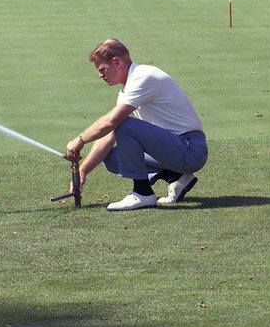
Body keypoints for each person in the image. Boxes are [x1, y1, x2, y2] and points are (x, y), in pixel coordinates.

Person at [65, 39, 208, 211]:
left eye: (102, 69)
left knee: (123, 124)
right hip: (174, 149)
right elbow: (109, 135)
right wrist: (83, 171)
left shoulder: (143, 76)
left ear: (116, 62)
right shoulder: (128, 89)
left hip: (190, 149)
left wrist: (80, 140)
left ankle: (143, 193)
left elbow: (111, 122)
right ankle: (177, 176)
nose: (100, 75)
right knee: (111, 158)